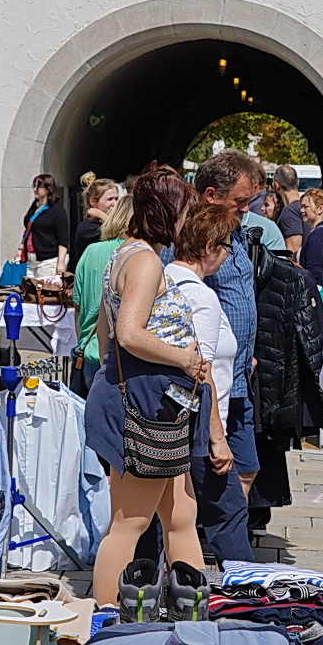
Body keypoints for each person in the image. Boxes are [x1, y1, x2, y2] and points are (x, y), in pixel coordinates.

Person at [85, 167, 221, 614]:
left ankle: (191, 610)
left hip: (154, 405)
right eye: (184, 209)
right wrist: (183, 359)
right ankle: (102, 619)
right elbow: (127, 333)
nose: (188, 219)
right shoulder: (143, 261)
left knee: (180, 516)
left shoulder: (126, 255)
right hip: (147, 406)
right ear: (166, 212)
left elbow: (107, 335)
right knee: (130, 523)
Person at [180, 151, 265, 544]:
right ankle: (214, 544)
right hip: (210, 381)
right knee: (213, 471)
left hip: (240, 373)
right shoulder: (195, 239)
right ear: (212, 194)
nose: (247, 210)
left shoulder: (234, 233)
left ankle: (221, 540)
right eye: (241, 201)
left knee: (246, 467)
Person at [163, 201, 249, 563]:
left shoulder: (164, 278)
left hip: (172, 419)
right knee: (228, 516)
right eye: (227, 246)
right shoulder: (201, 297)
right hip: (198, 424)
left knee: (168, 517)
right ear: (210, 247)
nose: (229, 256)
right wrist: (217, 439)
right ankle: (254, 599)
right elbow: (202, 372)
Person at [72, 196, 132, 397]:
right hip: (119, 360)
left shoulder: (90, 250)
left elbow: (78, 305)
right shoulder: (135, 253)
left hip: (88, 352)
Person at [20, 173, 73, 278]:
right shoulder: (34, 207)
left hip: (49, 260)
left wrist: (61, 263)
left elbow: (63, 239)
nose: (35, 189)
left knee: (44, 291)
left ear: (48, 189)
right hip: (31, 259)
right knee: (29, 290)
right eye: (33, 186)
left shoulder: (57, 211)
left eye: (38, 187)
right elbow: (29, 229)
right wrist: (21, 247)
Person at [72, 176, 120, 274]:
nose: (114, 203)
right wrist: (103, 216)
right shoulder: (87, 227)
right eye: (110, 199)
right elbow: (117, 233)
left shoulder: (103, 223)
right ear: (93, 201)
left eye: (116, 198)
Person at [273, 165, 306, 257]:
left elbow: (293, 251)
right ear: (298, 182)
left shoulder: (290, 212)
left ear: (276, 185)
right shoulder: (306, 207)